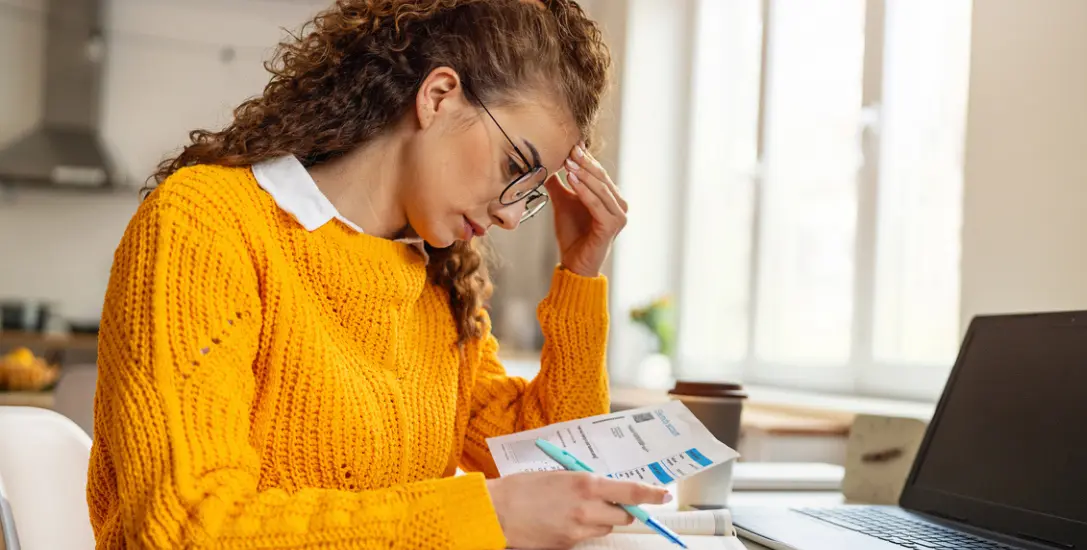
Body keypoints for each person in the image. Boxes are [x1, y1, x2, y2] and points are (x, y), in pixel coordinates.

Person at [85, 1, 667, 548]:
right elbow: (186, 527)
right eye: (515, 166)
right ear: (438, 96)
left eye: (531, 193)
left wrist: (580, 273)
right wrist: (482, 515)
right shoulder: (207, 223)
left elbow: (559, 471)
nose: (512, 216)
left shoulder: (439, 286)